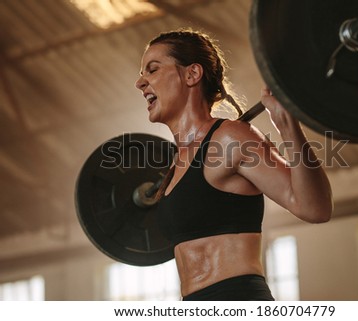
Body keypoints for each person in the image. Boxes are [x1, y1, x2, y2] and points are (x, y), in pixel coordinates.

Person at [134, 28, 333, 301]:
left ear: (192, 74)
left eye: (152, 70)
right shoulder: (176, 164)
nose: (140, 83)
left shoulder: (230, 138)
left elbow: (315, 208)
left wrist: (288, 127)